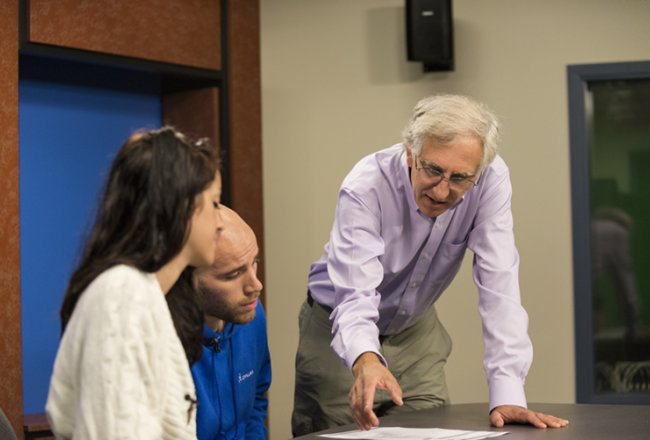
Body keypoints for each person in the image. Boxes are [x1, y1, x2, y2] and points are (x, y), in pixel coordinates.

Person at [292, 94, 569, 435]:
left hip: (416, 331)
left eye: (459, 178)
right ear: (411, 151)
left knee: (433, 431)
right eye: (434, 170)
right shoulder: (366, 186)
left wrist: (507, 393)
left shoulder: (490, 179)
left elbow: (500, 285)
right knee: (337, 433)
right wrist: (365, 358)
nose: (441, 191)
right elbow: (355, 293)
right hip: (336, 326)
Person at [46, 127, 224, 439]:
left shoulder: (151, 294)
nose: (221, 222)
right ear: (180, 206)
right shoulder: (120, 295)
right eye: (215, 203)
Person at [183, 205, 271, 440]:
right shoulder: (162, 342)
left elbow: (256, 400)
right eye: (233, 275)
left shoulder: (251, 314)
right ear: (187, 278)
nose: (255, 286)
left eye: (255, 262)